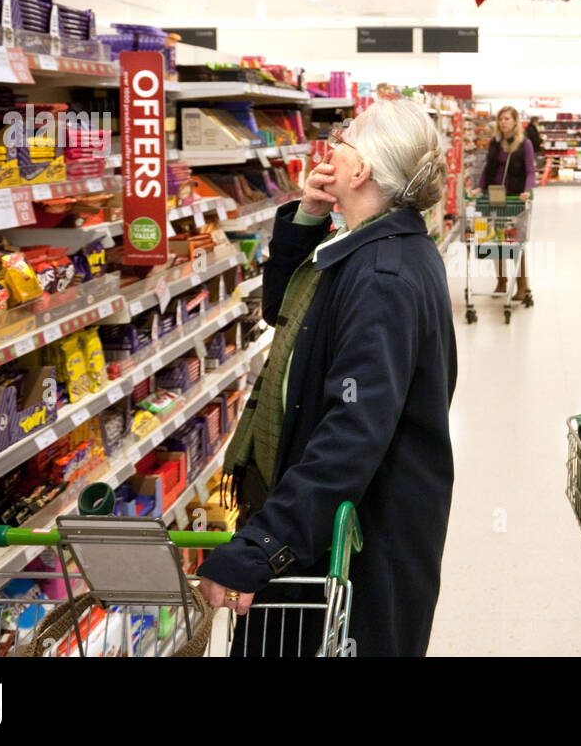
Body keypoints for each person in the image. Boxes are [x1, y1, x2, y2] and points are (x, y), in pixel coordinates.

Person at [196, 100, 457, 657]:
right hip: (335, 525)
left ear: (360, 170)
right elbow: (286, 312)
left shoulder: (382, 276)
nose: (330, 144)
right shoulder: (377, 249)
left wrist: (265, 546)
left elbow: (353, 433)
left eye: (345, 137)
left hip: (359, 543)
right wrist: (309, 214)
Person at [476, 105, 535, 298]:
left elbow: (530, 170)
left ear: (515, 122)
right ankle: (501, 281)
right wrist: (480, 187)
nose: (503, 122)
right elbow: (487, 168)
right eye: (501, 119)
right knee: (496, 240)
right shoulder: (494, 142)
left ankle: (522, 285)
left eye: (507, 119)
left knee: (516, 242)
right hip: (494, 197)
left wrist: (527, 190)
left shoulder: (524, 144)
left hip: (515, 199)